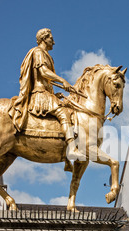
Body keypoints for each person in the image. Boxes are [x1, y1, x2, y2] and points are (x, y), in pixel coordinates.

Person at [9, 28, 85, 161]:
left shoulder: (47, 55)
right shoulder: (38, 52)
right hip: (40, 94)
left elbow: (44, 79)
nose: (53, 42)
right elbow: (43, 72)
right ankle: (72, 148)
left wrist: (55, 95)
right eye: (51, 38)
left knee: (68, 107)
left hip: (46, 93)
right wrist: (62, 80)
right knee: (64, 112)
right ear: (44, 38)